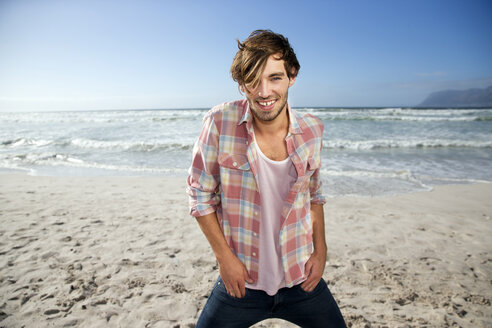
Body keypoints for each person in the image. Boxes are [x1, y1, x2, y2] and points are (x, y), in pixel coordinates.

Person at [186, 29, 346, 328]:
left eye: (274, 78)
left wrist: (321, 250)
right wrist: (225, 260)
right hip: (242, 280)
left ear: (292, 76)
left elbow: (314, 194)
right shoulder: (220, 122)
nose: (263, 92)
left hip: (301, 277)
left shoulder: (313, 130)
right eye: (252, 80)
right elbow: (199, 195)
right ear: (240, 83)